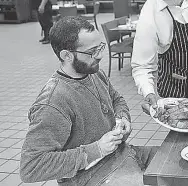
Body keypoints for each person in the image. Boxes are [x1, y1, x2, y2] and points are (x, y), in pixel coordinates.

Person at [20, 17, 153, 186]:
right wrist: (96, 149)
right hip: (90, 176)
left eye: (100, 47)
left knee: (174, 162)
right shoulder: (53, 103)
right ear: (67, 55)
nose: (101, 56)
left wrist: (122, 117)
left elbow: (116, 99)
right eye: (92, 52)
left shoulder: (94, 73)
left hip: (124, 154)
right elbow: (31, 167)